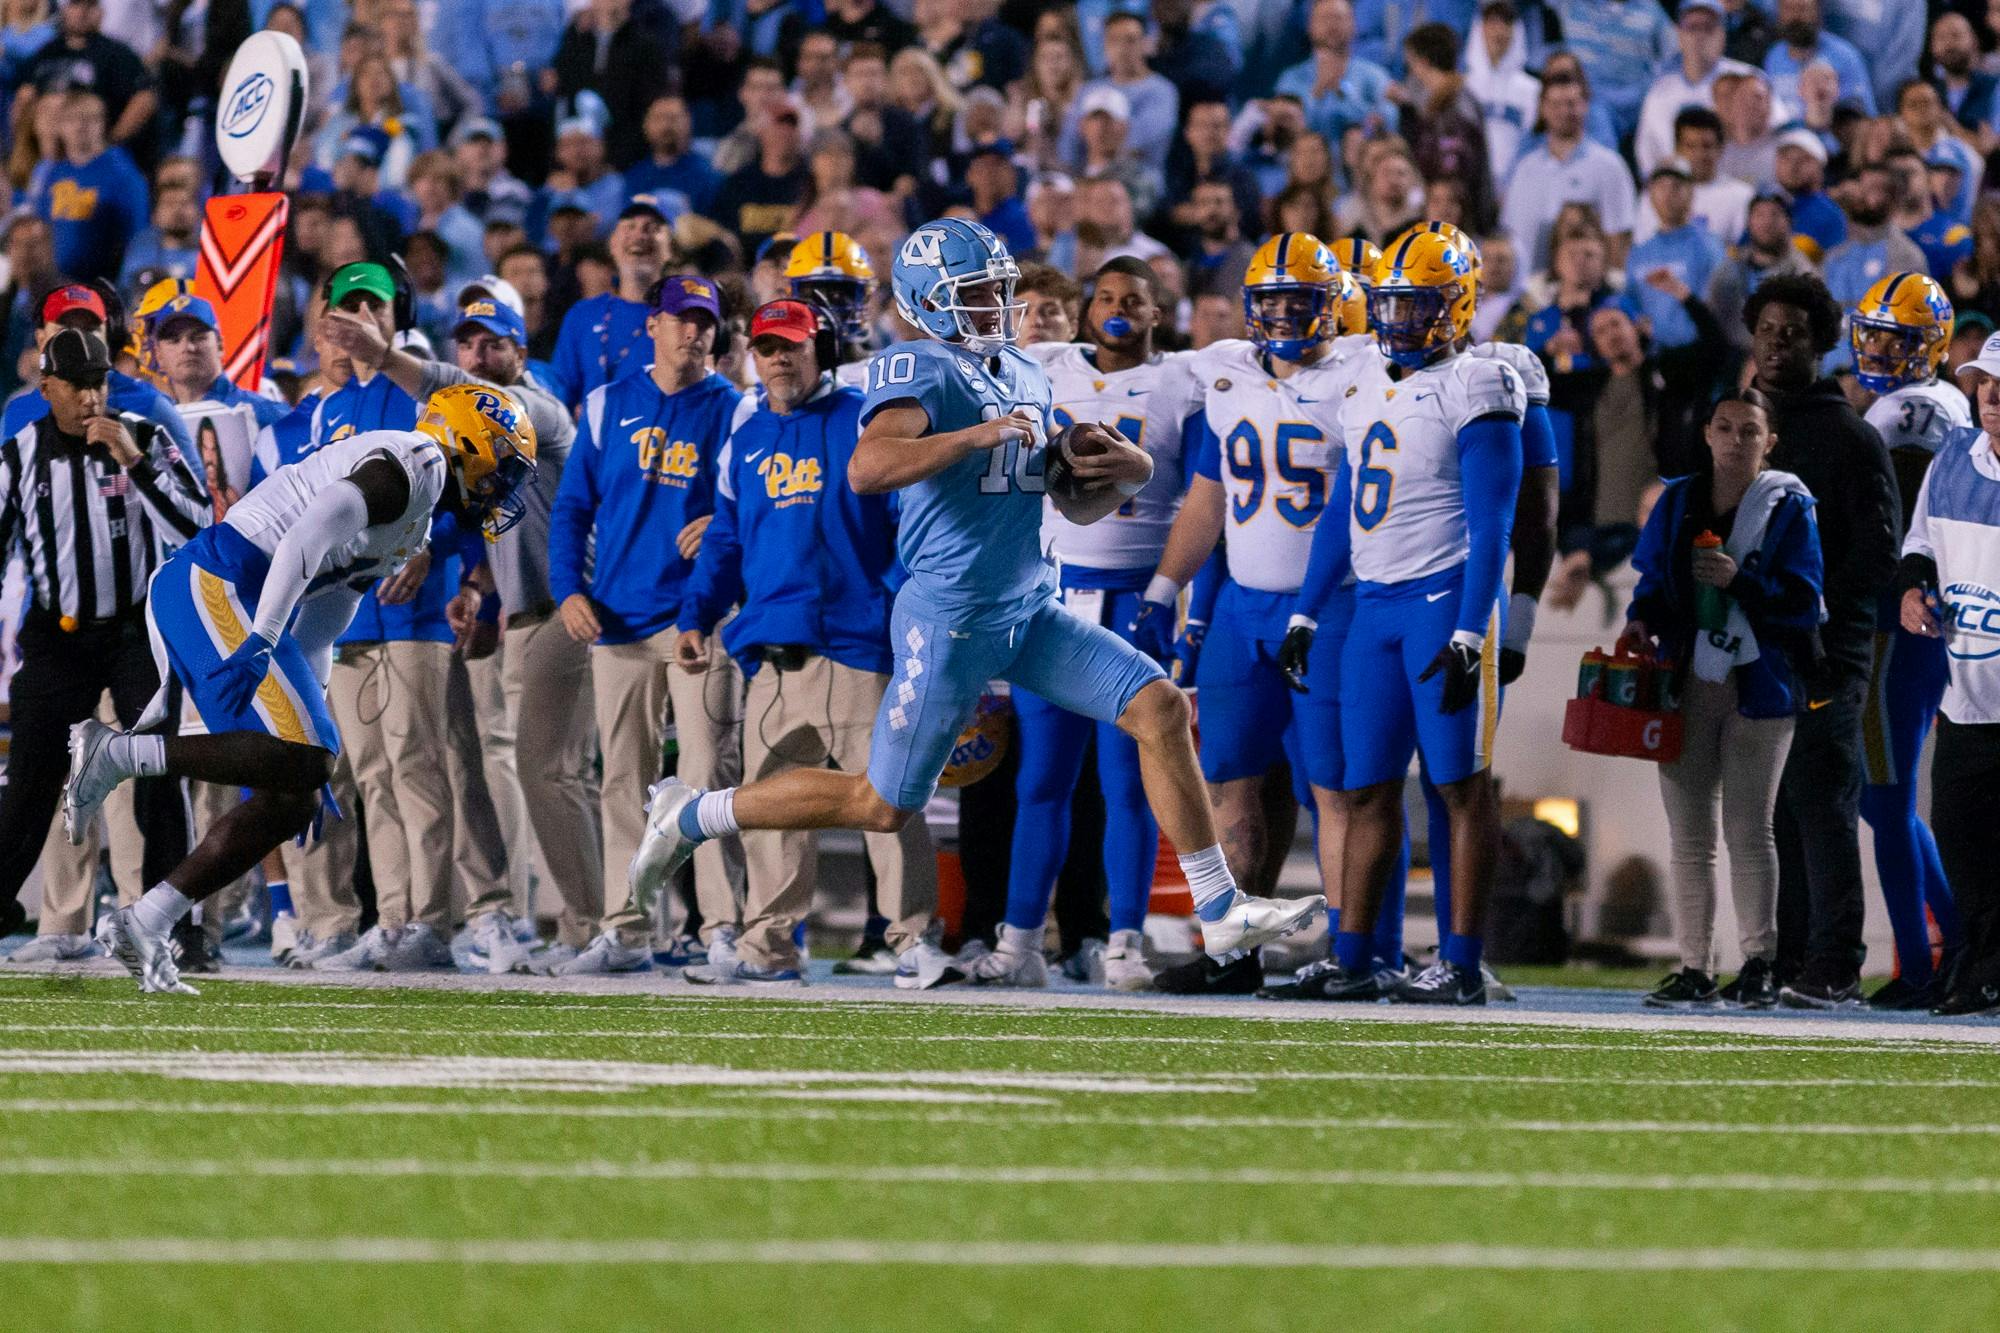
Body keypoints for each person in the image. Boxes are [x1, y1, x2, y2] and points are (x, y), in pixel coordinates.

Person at [628, 218, 1324, 990]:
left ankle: (1220, 906)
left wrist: (1126, 468)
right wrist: (975, 436)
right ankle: (691, 813)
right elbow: (868, 467)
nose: (996, 304)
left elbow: (1069, 501)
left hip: (1027, 608)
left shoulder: (1022, 369)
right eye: (977, 293)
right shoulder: (919, 365)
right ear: (930, 300)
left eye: (999, 290)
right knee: (880, 804)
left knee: (1157, 707)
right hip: (951, 616)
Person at [65, 381, 535, 995]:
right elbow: (304, 538)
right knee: (306, 761)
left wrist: (311, 728)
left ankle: (147, 920)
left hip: (246, 592)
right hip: (220, 577)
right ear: (467, 442)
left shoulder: (418, 519)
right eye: (501, 464)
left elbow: (330, 610)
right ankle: (116, 753)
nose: (503, 486)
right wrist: (262, 641)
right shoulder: (412, 466)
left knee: (299, 792)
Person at [1283, 227, 1526, 1005]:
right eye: (1392, 303)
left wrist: (1468, 629)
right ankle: (1353, 953)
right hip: (1373, 607)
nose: (1402, 320)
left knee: (1460, 786)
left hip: (1440, 598)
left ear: (1458, 306)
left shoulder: (1480, 382)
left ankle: (1459, 959)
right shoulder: (1363, 383)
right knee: (1365, 789)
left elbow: (1494, 526)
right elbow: (1340, 514)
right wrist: (1307, 613)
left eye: (1420, 305)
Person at [1134, 234, 1376, 995]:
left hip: (1332, 604)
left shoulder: (1360, 372)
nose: (1279, 315)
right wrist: (1162, 590)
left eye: (1296, 300)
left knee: (1338, 787)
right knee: (1231, 779)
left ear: (1332, 304)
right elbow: (1207, 497)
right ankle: (1235, 949)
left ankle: (1354, 950)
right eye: (1266, 301)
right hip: (1242, 603)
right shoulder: (1229, 371)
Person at [676, 298, 939, 984]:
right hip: (774, 653)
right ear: (753, 356)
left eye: (792, 344)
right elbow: (727, 539)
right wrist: (694, 616)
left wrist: (910, 619)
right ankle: (768, 946)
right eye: (766, 347)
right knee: (771, 808)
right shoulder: (746, 436)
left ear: (820, 346)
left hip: (857, 643)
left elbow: (908, 527)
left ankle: (913, 941)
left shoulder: (862, 416)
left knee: (889, 798)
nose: (779, 358)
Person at [981, 257, 1201, 991]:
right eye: (1105, 297)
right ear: (1085, 309)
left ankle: (1123, 940)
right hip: (1053, 594)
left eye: (1132, 299)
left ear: (1155, 312)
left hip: (1136, 597)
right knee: (1040, 777)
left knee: (1126, 783)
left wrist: (1175, 600)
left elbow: (1204, 497)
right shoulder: (1043, 365)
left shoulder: (1184, 380)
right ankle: (1019, 941)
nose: (1116, 309)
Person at [549, 274, 745, 976]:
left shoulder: (734, 407)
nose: (694, 332)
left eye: (706, 322)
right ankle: (626, 930)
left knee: (707, 777)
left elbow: (756, 501)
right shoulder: (604, 405)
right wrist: (567, 588)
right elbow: (572, 507)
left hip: (704, 615)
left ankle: (724, 927)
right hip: (618, 618)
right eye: (682, 319)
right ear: (652, 327)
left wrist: (725, 522)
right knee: (621, 779)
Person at [0, 327, 204, 949]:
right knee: (31, 772)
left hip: (135, 631)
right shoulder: (17, 455)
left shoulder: (144, 437)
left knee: (159, 770)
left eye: (99, 383)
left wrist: (137, 466)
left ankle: (178, 924)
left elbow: (197, 525)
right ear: (48, 387)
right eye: (78, 386)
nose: (92, 398)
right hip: (58, 634)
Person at [1623, 388, 1824, 1009]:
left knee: (1748, 828)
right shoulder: (1680, 497)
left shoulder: (1789, 505)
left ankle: (1759, 959)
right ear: (1707, 433)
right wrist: (1637, 620)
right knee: (1689, 836)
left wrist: (1745, 583)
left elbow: (1804, 600)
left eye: (1749, 431)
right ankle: (1694, 964)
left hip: (1760, 681)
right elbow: (1652, 580)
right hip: (1687, 677)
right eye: (1726, 428)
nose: (1736, 440)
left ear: (1770, 442)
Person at [1744, 272, 1900, 1008]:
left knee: (1821, 802)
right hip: (1761, 653)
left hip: (1828, 652)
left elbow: (1876, 555)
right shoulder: (1743, 425)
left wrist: (1820, 630)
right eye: (1767, 329)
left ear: (1823, 343)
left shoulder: (1850, 435)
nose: (1777, 342)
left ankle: (1836, 962)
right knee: (1775, 809)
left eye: (1794, 332)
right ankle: (1789, 958)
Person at [1848, 273, 1970, 1009]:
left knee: (1888, 797)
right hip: (1918, 621)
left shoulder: (1917, 412)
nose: (1880, 348)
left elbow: (1899, 527)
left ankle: (1932, 964)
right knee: (1884, 797)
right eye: (1876, 333)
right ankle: (1958, 946)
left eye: (1896, 338)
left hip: (1904, 622)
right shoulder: (1936, 404)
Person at [1901, 332, 2000, 1014]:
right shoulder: (1952, 460)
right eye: (1986, 382)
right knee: (1964, 847)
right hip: (1965, 698)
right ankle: (1983, 967)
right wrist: (1913, 590)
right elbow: (1918, 546)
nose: (1992, 396)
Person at [547, 196, 672, 411]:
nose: (640, 235)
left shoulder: (681, 318)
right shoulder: (582, 314)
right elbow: (560, 391)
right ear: (612, 245)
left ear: (671, 249)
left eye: (652, 228)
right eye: (629, 226)